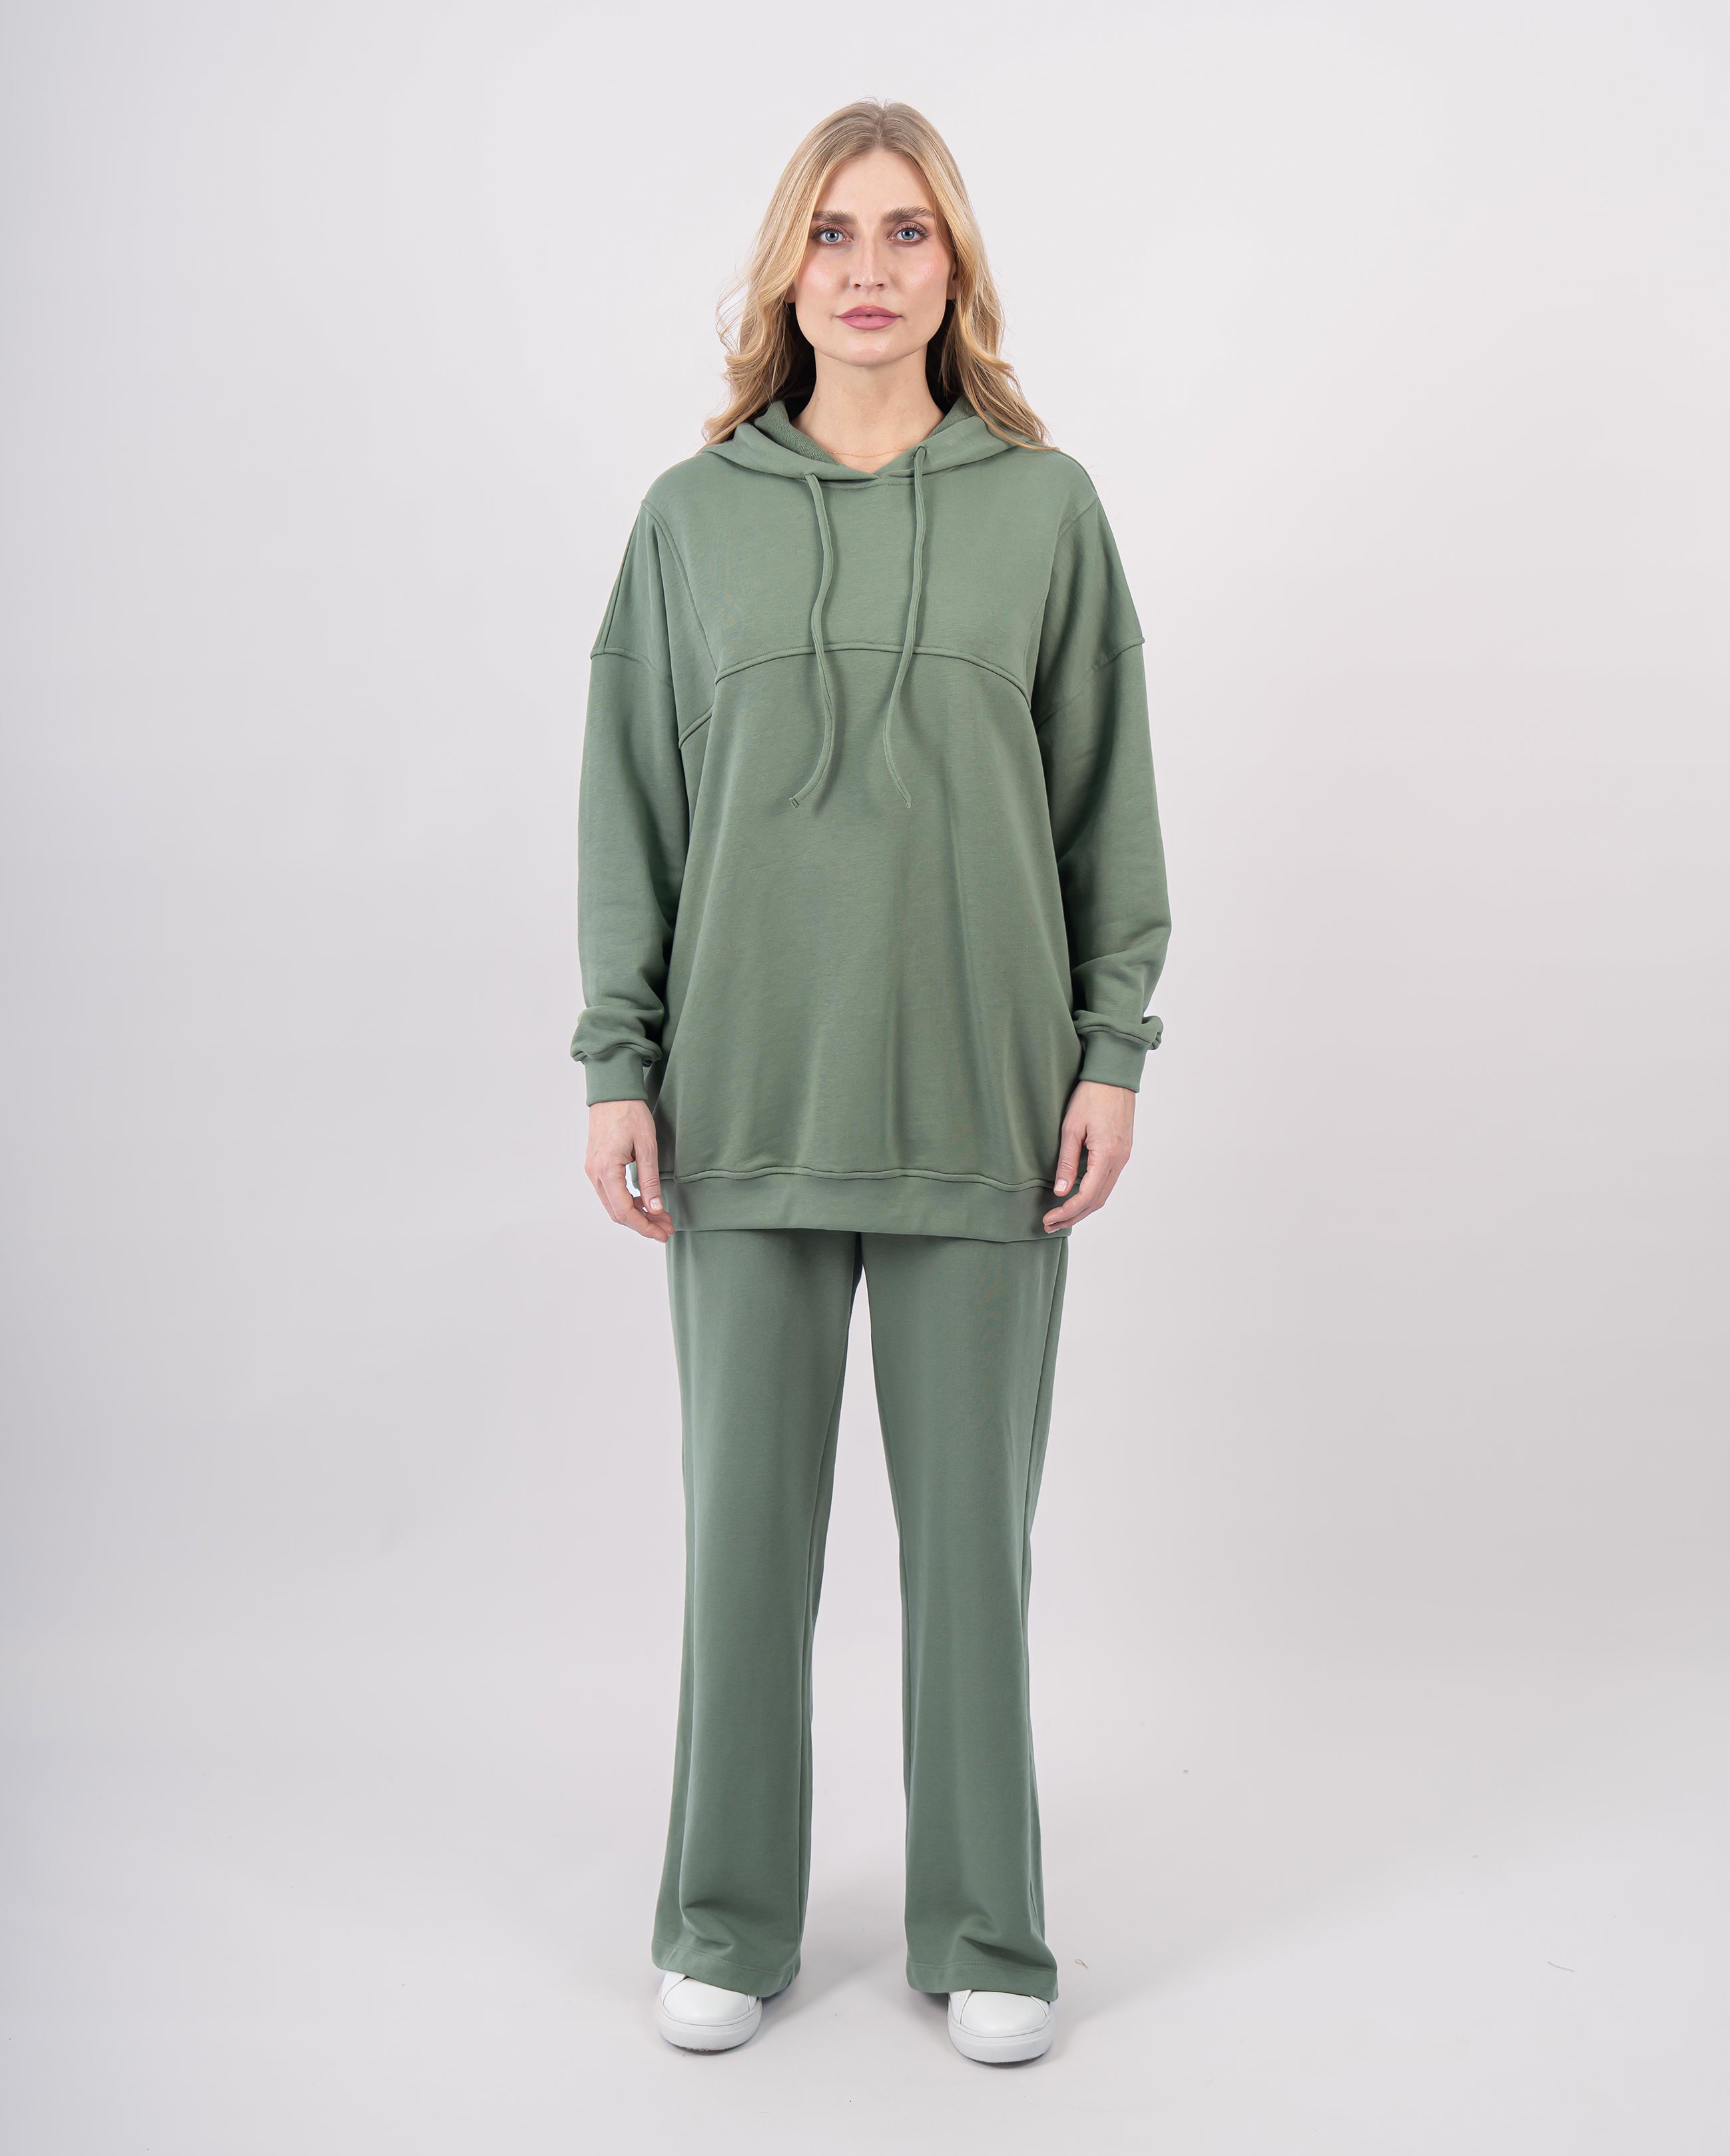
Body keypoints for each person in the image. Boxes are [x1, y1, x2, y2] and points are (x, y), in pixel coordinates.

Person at [570, 98, 1171, 2065]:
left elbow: (1107, 809)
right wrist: (618, 1060)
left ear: (955, 266)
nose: (869, 268)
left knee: (972, 1560)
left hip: (985, 1111)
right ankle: (724, 1917)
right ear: (787, 268)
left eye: (908, 231)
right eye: (834, 232)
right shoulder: (691, 520)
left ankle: (987, 1930)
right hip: (741, 1110)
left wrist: (1111, 1051)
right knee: (742, 1554)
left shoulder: (1045, 512)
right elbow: (630, 808)